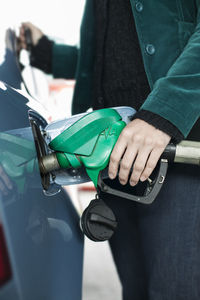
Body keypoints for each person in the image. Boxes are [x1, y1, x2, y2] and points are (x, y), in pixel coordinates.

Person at [19, 1, 200, 299]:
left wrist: (164, 114)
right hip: (114, 158)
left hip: (177, 151)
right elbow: (108, 56)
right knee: (136, 291)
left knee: (175, 290)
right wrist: (47, 54)